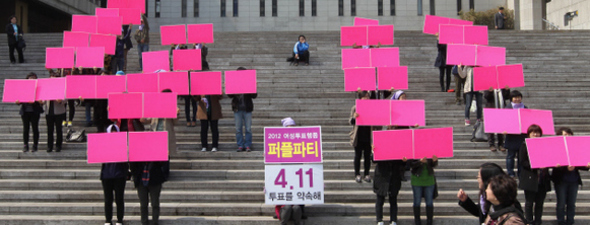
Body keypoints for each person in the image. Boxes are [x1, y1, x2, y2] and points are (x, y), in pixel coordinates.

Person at [551, 127, 590, 225]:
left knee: (571, 203)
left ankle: (570, 221)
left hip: (574, 180)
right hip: (561, 180)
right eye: (564, 135)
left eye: (569, 134)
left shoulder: (575, 147)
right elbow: (553, 164)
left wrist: (587, 165)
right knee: (561, 203)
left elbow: (581, 162)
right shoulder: (556, 148)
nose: (567, 136)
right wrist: (565, 168)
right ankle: (560, 221)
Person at [519, 124, 551, 225]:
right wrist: (536, 166)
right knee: (529, 202)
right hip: (530, 177)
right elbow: (522, 162)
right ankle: (529, 221)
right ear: (529, 134)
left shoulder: (545, 145)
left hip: (542, 178)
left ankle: (538, 221)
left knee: (540, 203)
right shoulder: (524, 145)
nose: (536, 135)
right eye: (533, 133)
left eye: (538, 133)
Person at [100, 124, 129, 225]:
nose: (113, 133)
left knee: (119, 198)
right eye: (111, 131)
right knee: (108, 199)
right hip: (106, 175)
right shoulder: (104, 145)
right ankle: (108, 219)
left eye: (115, 131)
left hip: (119, 175)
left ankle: (120, 219)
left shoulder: (122, 145)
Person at [228, 67, 258, 152]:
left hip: (247, 109)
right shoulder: (234, 83)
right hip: (237, 109)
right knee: (238, 129)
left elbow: (254, 96)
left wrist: (254, 86)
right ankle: (240, 145)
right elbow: (230, 96)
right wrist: (228, 87)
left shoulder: (249, 82)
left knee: (248, 128)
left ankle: (247, 145)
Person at [130, 160, 169, 225]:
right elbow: (133, 165)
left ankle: (155, 221)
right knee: (143, 204)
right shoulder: (138, 153)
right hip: (141, 180)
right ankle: (144, 221)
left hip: (155, 180)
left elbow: (163, 163)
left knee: (155, 203)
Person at [349, 91, 375, 183]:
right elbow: (350, 122)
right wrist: (354, 117)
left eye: (368, 97)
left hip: (368, 135)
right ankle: (357, 174)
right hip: (358, 136)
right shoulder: (355, 108)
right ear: (360, 98)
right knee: (357, 156)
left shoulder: (371, 108)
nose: (366, 98)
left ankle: (367, 174)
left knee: (367, 156)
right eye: (364, 97)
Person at [406, 155, 438, 225]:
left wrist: (434, 161)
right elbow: (410, 164)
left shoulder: (430, 148)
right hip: (417, 179)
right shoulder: (414, 149)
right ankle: (417, 221)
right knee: (417, 201)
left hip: (429, 179)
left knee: (429, 202)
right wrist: (420, 162)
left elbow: (433, 165)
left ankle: (429, 221)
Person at [373, 157, 405, 225]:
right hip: (382, 176)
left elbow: (402, 163)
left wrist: (404, 160)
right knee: (380, 199)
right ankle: (379, 219)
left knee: (393, 200)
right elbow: (374, 160)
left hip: (394, 175)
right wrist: (374, 152)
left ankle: (393, 219)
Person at [148, 89, 179, 155]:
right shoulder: (155, 106)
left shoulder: (173, 107)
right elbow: (146, 119)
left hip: (166, 133)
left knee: (166, 156)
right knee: (155, 156)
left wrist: (177, 114)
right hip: (155, 132)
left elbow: (175, 122)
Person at [18, 73, 43, 152]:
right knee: (26, 129)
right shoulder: (23, 89)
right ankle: (25, 145)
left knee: (35, 128)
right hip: (25, 112)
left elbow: (41, 101)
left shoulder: (39, 89)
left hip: (35, 112)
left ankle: (35, 145)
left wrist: (36, 101)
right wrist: (18, 102)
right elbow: (20, 99)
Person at [504, 90, 527, 177]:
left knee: (521, 157)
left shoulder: (525, 108)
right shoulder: (507, 108)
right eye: (515, 98)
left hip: (522, 136)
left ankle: (520, 173)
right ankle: (510, 173)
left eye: (519, 97)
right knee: (510, 156)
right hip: (511, 136)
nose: (517, 99)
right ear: (511, 99)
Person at [43, 73, 66, 152]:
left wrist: (60, 100)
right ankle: (49, 146)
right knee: (50, 130)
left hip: (59, 112)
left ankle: (58, 145)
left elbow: (65, 99)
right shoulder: (46, 87)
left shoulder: (62, 87)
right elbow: (43, 99)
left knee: (59, 129)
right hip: (49, 112)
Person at [484, 87, 510, 152]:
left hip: (501, 109)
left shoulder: (502, 87)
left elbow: (507, 97)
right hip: (491, 109)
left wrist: (507, 90)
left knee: (501, 128)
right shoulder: (489, 86)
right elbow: (486, 97)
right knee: (491, 128)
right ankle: (491, 144)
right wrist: (490, 91)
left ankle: (501, 144)